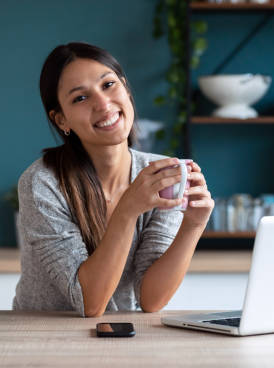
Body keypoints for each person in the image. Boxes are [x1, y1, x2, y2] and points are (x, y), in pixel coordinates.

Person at [13, 42, 214, 317]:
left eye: (108, 85)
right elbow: (90, 303)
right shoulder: (42, 183)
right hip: (41, 336)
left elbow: (151, 299)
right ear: (61, 120)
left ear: (126, 88)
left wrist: (193, 224)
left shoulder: (158, 173)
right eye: (80, 98)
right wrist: (128, 209)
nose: (103, 103)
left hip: (119, 337)